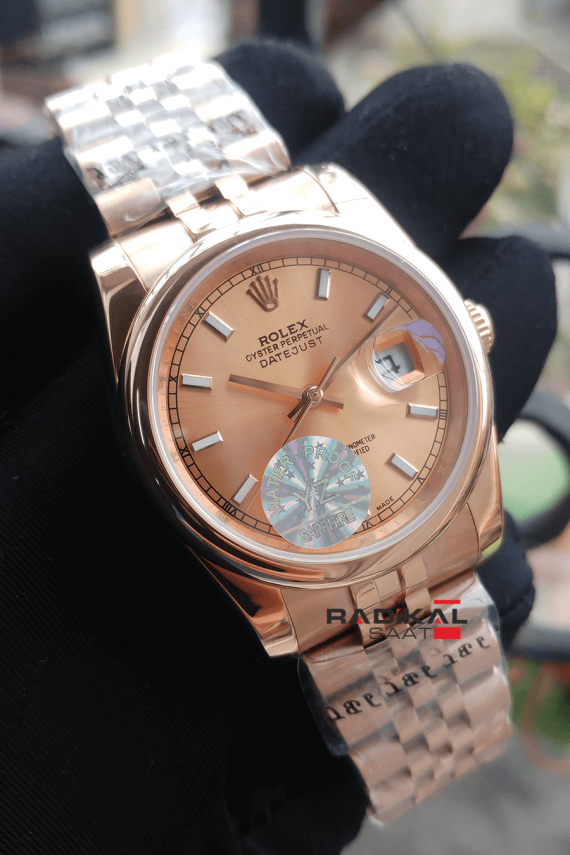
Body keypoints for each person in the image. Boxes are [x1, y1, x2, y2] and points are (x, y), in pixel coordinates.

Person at [0, 37, 555, 855]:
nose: (311, 397)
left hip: (407, 508)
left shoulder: (354, 234)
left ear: (468, 327)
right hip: (292, 541)